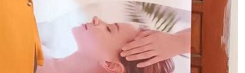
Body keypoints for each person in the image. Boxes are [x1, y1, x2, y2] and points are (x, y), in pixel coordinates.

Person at [38, 16, 187, 73]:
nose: (96, 19)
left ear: (111, 65)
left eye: (109, 29)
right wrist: (178, 41)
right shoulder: (39, 42)